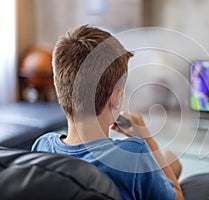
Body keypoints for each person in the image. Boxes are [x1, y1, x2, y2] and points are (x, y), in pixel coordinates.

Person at [31, 25, 183, 200]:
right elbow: (177, 197)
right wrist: (146, 137)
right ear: (116, 98)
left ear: (59, 89)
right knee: (170, 160)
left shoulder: (42, 146)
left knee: (169, 158)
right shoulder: (133, 154)